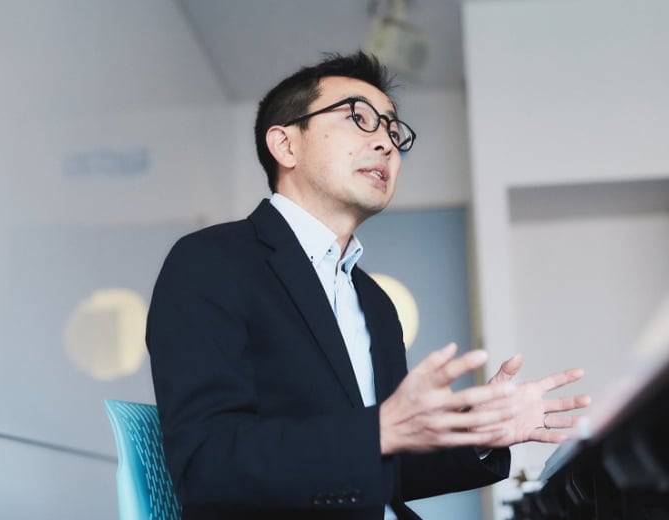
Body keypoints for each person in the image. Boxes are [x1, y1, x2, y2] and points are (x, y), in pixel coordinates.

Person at [146, 51, 590, 520]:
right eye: (358, 118)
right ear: (285, 144)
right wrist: (379, 430)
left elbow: (383, 471)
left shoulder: (375, 302)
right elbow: (208, 464)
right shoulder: (211, 261)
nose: (385, 144)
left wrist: (476, 432)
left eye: (393, 131)